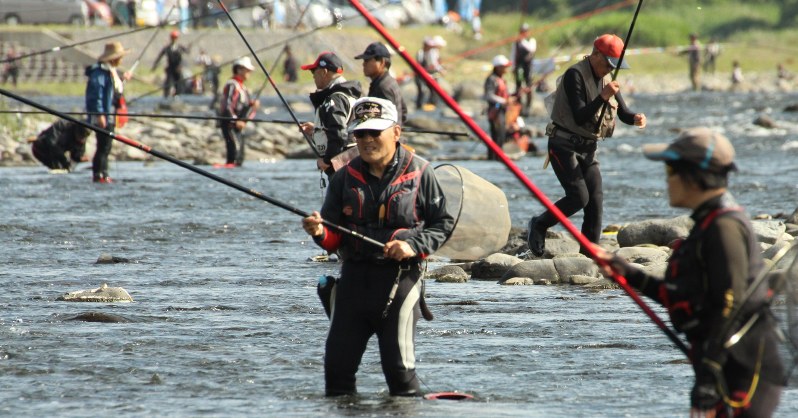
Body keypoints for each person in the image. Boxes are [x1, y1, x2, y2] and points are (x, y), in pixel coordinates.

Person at [595, 128, 784, 417]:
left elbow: (730, 306)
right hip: (722, 364)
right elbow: (685, 297)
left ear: (695, 176)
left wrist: (709, 375)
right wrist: (629, 274)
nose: (666, 179)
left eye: (671, 170)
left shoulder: (724, 228)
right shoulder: (708, 223)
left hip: (743, 372)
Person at [301, 97, 454, 396]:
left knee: (399, 374)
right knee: (336, 373)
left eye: (374, 132)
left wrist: (413, 247)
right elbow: (333, 237)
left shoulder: (422, 172)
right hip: (353, 281)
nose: (367, 140)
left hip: (401, 281)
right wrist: (318, 231)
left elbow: (443, 224)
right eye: (360, 133)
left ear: (396, 132)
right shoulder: (343, 177)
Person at [526, 34, 647, 256]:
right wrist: (603, 96)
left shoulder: (607, 78)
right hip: (563, 145)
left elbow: (624, 113)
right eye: (608, 64)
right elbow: (580, 116)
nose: (610, 69)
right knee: (578, 197)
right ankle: (539, 224)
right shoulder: (575, 75)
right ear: (596, 54)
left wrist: (635, 118)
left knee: (595, 202)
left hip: (588, 148)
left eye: (614, 66)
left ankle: (588, 256)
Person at [299, 52, 362, 177]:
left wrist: (327, 161)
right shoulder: (348, 95)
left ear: (324, 72)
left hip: (342, 168)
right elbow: (343, 127)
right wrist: (317, 130)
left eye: (314, 71)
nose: (313, 76)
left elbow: (339, 134)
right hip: (352, 163)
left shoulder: (335, 99)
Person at [85, 41, 132, 183]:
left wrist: (123, 79)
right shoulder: (99, 73)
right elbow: (96, 95)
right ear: (114, 58)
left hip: (109, 115)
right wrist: (100, 114)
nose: (121, 60)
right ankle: (99, 175)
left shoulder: (110, 71)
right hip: (103, 115)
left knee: (106, 146)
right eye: (120, 57)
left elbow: (113, 91)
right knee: (103, 145)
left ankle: (103, 174)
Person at [218, 57, 258, 167]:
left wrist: (253, 106)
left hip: (238, 125)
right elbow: (227, 106)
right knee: (234, 152)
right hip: (229, 124)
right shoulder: (232, 85)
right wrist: (235, 121)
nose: (249, 72)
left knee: (240, 156)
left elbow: (245, 108)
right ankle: (229, 169)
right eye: (247, 70)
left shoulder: (243, 88)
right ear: (239, 69)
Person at [354, 42, 406, 126]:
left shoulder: (383, 87)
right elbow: (403, 111)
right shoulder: (389, 81)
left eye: (367, 60)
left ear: (382, 62)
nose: (363, 64)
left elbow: (384, 122)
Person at [484, 54, 511, 160]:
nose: (506, 69)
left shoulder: (501, 79)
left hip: (502, 111)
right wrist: (504, 101)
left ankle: (498, 158)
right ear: (498, 67)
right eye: (504, 67)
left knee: (501, 136)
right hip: (494, 111)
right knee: (497, 136)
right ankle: (493, 158)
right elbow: (489, 95)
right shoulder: (491, 79)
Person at [151, 30, 188, 98]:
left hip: (178, 69)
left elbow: (187, 52)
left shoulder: (180, 47)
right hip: (170, 68)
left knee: (179, 83)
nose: (174, 39)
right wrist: (155, 65)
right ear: (171, 38)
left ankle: (178, 96)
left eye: (175, 38)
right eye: (173, 38)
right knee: (168, 82)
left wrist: (187, 49)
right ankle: (166, 96)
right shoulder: (167, 48)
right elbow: (160, 56)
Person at [511, 23, 536, 116]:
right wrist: (513, 66)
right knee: (518, 86)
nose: (523, 32)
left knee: (529, 86)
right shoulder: (516, 42)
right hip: (519, 67)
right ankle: (519, 107)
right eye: (522, 31)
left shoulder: (531, 40)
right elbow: (513, 54)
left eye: (525, 31)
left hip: (528, 67)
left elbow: (531, 49)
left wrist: (522, 41)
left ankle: (528, 107)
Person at [414, 36, 445, 111]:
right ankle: (419, 106)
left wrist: (440, 69)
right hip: (420, 75)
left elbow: (435, 64)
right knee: (422, 90)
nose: (430, 47)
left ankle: (432, 104)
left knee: (434, 89)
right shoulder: (420, 53)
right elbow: (420, 65)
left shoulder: (432, 52)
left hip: (430, 74)